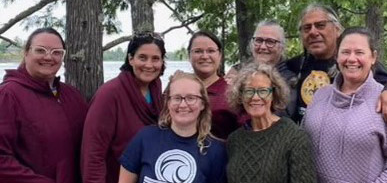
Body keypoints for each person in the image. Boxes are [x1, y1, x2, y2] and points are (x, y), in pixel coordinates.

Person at [303, 27, 387, 182]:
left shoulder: (386, 101)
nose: (351, 59)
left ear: (373, 57)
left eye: (359, 52)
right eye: (346, 52)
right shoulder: (319, 96)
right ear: (337, 56)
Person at [285, 3, 387, 125]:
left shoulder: (352, 64)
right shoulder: (296, 65)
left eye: (320, 25)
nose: (313, 32)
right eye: (307, 28)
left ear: (337, 29)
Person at [0, 27, 88, 183]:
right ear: (26, 53)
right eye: (40, 50)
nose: (49, 57)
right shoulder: (8, 95)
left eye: (56, 52)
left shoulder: (72, 96)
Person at [81, 32, 165, 183]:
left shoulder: (156, 89)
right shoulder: (109, 94)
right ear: (130, 59)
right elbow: (93, 153)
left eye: (155, 59)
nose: (149, 65)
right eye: (142, 58)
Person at [118, 71, 227, 183]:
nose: (183, 105)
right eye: (177, 98)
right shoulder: (145, 138)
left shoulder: (215, 151)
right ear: (168, 102)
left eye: (191, 98)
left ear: (203, 104)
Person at [226, 63, 316, 183]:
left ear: (274, 94)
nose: (255, 97)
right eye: (248, 91)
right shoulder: (234, 140)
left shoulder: (294, 136)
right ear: (240, 96)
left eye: (263, 91)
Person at [226, 20, 297, 117]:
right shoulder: (238, 73)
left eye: (270, 42)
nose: (263, 47)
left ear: (281, 47)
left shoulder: (290, 80)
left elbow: (284, 114)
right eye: (258, 40)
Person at [188, 31, 240, 139]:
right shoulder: (177, 89)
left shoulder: (233, 91)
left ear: (220, 55)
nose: (205, 56)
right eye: (198, 51)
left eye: (211, 51)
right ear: (189, 55)